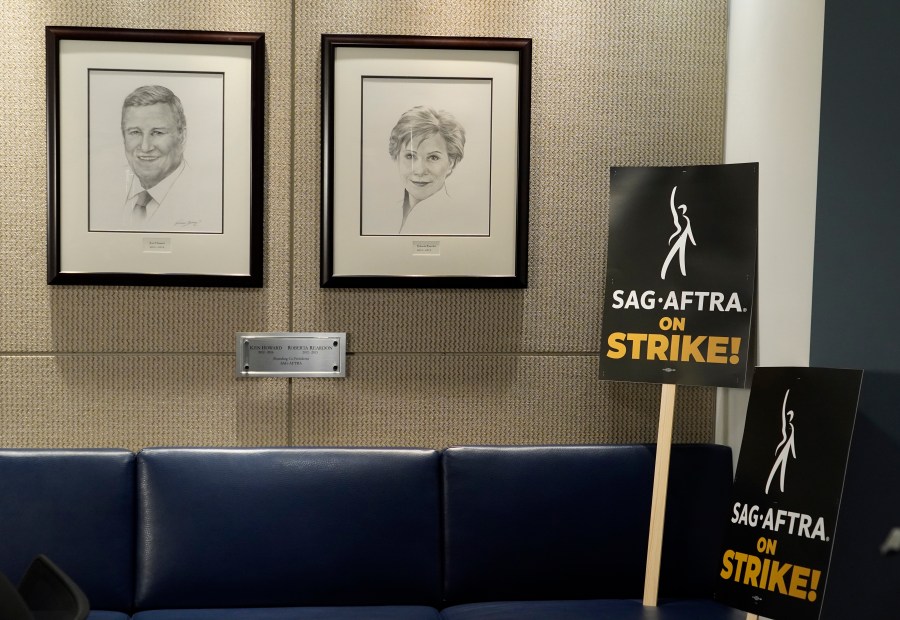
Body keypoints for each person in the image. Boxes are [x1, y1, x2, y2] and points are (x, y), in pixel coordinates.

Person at [118, 85, 221, 232]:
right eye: (135, 132)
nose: (145, 147)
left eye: (158, 132)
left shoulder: (211, 202)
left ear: (182, 136)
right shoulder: (105, 195)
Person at [387, 106, 468, 235]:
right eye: (410, 156)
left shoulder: (461, 220)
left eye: (433, 157)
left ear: (451, 163)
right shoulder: (386, 214)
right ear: (396, 157)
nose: (419, 170)